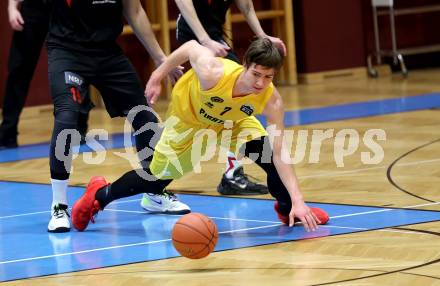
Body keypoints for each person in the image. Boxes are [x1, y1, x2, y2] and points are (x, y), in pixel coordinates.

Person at [71, 38, 326, 233]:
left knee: (271, 160)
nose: (260, 83)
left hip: (233, 121)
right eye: (256, 74)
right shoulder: (213, 71)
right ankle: (99, 195)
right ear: (245, 65)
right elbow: (191, 46)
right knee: (156, 180)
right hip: (190, 120)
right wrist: (158, 75)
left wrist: (298, 200)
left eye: (268, 77)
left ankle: (289, 210)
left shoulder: (272, 100)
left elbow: (281, 153)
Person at [46, 0, 188, 233]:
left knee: (145, 118)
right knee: (66, 120)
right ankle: (59, 205)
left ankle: (153, 192)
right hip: (67, 52)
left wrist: (162, 59)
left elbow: (135, 11)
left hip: (107, 53)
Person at [169, 0, 286, 197]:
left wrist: (263, 36)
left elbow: (246, 6)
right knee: (236, 98)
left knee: (237, 105)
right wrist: (205, 41)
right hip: (195, 34)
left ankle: (232, 171)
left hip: (216, 35)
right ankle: (231, 173)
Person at [0, 0, 89, 150]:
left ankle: (77, 130)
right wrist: (12, 7)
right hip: (33, 8)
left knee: (74, 67)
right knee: (18, 69)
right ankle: (7, 132)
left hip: (66, 8)